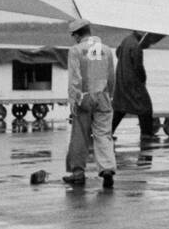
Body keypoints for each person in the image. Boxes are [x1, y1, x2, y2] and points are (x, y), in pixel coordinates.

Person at [63, 18, 117, 188]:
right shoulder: (105, 50)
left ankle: (78, 172)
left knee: (80, 135)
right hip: (103, 96)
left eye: (74, 36)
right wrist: (110, 95)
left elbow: (75, 78)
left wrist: (74, 99)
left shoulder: (76, 50)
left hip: (84, 97)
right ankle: (107, 169)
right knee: (103, 135)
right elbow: (110, 76)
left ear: (78, 35)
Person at [111, 30, 156, 140]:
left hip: (122, 78)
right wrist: (143, 78)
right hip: (132, 82)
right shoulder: (136, 46)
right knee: (145, 107)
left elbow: (118, 52)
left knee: (120, 108)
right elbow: (138, 66)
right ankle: (146, 135)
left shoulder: (126, 40)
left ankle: (107, 132)